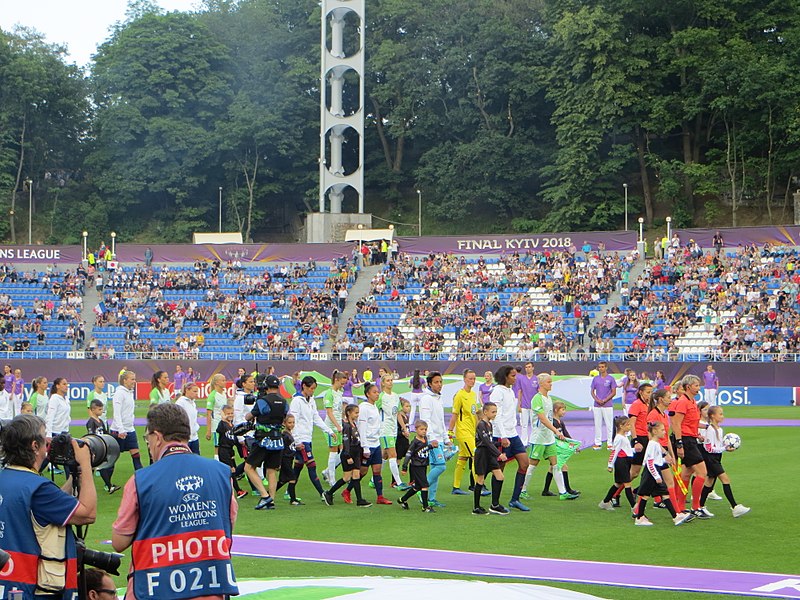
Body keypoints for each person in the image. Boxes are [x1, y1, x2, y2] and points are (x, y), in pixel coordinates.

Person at [112, 403, 239, 599]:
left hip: (154, 588)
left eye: (148, 438)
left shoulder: (140, 480)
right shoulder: (221, 473)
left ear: (158, 437)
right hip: (210, 587)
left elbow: (119, 541)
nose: (148, 444)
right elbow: (228, 523)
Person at [0, 414, 97, 598]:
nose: (49, 444)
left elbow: (51, 504)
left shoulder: (7, 477)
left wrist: (74, 477)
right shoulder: (38, 489)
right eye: (45, 439)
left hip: (7, 583)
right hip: (34, 589)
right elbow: (88, 513)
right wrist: (85, 464)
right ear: (34, 446)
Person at [521, 373, 579, 502]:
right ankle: (522, 489)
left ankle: (563, 492)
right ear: (541, 384)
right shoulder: (537, 398)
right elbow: (542, 419)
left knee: (556, 464)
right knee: (533, 465)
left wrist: (554, 433)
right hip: (539, 437)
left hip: (549, 438)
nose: (551, 384)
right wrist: (556, 431)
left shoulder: (549, 398)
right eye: (548, 382)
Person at [632, 421, 693, 527]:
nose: (665, 432)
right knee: (645, 495)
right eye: (662, 430)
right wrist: (656, 476)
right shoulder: (652, 444)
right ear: (655, 431)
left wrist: (665, 461)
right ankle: (639, 517)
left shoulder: (656, 444)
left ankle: (675, 517)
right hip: (651, 473)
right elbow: (650, 462)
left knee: (665, 494)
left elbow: (656, 459)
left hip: (655, 471)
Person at [245, 374, 289, 510]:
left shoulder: (263, 401)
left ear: (266, 386)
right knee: (271, 471)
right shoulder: (284, 402)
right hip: (278, 439)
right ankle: (272, 500)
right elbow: (284, 416)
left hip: (263, 438)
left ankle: (265, 496)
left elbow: (250, 416)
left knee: (249, 467)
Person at [489, 365, 530, 511]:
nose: (515, 377)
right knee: (499, 469)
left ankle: (515, 499)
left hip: (513, 433)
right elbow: (496, 415)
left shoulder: (510, 391)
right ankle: (495, 503)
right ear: (505, 377)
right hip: (501, 435)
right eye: (512, 375)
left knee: (525, 463)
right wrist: (503, 435)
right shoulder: (497, 392)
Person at [698, 406, 750, 518]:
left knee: (709, 482)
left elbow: (718, 445)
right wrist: (724, 448)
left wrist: (725, 447)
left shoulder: (720, 429)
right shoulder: (710, 429)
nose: (722, 416)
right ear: (712, 416)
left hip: (717, 457)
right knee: (725, 479)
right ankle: (734, 507)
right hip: (711, 458)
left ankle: (700, 506)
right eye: (720, 414)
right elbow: (708, 448)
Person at [289, 375, 334, 502]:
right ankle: (323, 493)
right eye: (311, 388)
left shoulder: (311, 400)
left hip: (307, 438)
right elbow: (293, 422)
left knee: (297, 467)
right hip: (301, 439)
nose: (313, 391)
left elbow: (316, 418)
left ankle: (289, 494)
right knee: (311, 465)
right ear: (304, 386)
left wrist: (329, 430)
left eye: (314, 389)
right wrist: (297, 440)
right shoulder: (297, 401)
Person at [670, 374, 709, 517]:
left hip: (690, 438)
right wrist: (679, 443)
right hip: (686, 441)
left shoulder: (692, 401)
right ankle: (696, 507)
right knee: (702, 473)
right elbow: (676, 423)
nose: (699, 387)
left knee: (686, 473)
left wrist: (701, 429)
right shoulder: (683, 402)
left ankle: (680, 506)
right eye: (696, 385)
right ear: (688, 387)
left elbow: (689, 422)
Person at [323, 404, 371, 507]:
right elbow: (346, 442)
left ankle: (360, 500)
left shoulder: (353, 424)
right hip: (349, 454)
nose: (358, 415)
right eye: (356, 412)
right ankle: (329, 493)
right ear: (349, 413)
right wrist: (348, 456)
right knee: (346, 478)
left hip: (356, 452)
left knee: (356, 476)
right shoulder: (346, 426)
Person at [354, 381, 392, 505]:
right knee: (363, 471)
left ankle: (380, 496)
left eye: (377, 392)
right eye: (374, 392)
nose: (377, 394)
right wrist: (364, 447)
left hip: (376, 443)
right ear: (367, 394)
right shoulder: (364, 408)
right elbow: (362, 427)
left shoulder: (374, 406)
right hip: (367, 445)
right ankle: (348, 490)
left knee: (377, 470)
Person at [418, 372, 449, 508]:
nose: (439, 384)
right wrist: (431, 438)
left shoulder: (438, 398)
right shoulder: (426, 399)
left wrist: (446, 438)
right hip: (433, 439)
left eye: (440, 382)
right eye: (436, 382)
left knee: (436, 467)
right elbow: (426, 420)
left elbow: (441, 420)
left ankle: (431, 498)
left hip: (439, 438)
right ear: (430, 383)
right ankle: (420, 488)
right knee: (441, 466)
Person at [448, 369, 482, 496]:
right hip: (463, 432)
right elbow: (454, 415)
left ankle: (456, 486)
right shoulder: (459, 395)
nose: (472, 381)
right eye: (470, 379)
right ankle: (479, 485)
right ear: (464, 379)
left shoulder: (473, 395)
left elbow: (475, 413)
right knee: (476, 456)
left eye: (474, 378)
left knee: (462, 458)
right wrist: (450, 432)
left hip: (472, 431)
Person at [472, 402, 508, 515]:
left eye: (496, 411)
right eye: (493, 412)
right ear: (485, 412)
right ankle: (476, 507)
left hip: (489, 454)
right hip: (482, 455)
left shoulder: (490, 425)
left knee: (500, 477)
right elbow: (486, 442)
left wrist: (499, 443)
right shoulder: (481, 425)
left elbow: (490, 441)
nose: (495, 414)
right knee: (480, 480)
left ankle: (495, 505)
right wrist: (499, 454)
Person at [541, 401, 581, 497]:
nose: (564, 412)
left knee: (552, 468)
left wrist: (574, 444)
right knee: (563, 466)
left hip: (557, 448)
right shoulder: (552, 422)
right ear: (556, 410)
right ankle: (568, 489)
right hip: (554, 448)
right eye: (562, 410)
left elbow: (566, 434)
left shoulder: (560, 422)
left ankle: (545, 490)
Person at [598, 416, 636, 511]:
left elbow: (625, 450)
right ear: (621, 426)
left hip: (625, 461)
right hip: (621, 462)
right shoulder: (619, 438)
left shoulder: (623, 437)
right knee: (627, 484)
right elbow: (615, 452)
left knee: (618, 484)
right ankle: (634, 506)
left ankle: (605, 502)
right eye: (627, 424)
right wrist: (610, 465)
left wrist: (634, 450)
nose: (629, 426)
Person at [111, 369, 144, 471]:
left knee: (136, 455)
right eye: (132, 379)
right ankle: (107, 484)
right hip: (118, 431)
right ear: (125, 380)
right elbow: (117, 412)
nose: (134, 381)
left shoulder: (130, 393)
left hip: (130, 430)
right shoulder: (119, 393)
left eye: (135, 379)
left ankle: (141, 479)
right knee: (111, 458)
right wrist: (121, 429)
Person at [397, 420, 434, 512]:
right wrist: (404, 467)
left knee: (417, 487)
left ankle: (402, 499)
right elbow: (408, 454)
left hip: (423, 465)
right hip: (416, 466)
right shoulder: (414, 442)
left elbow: (423, 450)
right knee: (424, 485)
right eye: (421, 429)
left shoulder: (425, 439)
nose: (424, 431)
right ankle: (425, 507)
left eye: (425, 429)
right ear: (416, 429)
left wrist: (431, 446)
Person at [377, 374, 405, 489]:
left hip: (393, 429)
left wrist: (403, 427)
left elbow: (398, 413)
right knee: (393, 454)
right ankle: (398, 482)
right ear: (383, 383)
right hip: (385, 429)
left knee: (385, 455)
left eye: (391, 380)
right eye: (388, 380)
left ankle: (374, 479)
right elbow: (374, 411)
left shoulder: (395, 396)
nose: (390, 382)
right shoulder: (381, 397)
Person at [216, 405, 248, 499]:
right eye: (227, 414)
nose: (230, 415)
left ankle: (234, 491)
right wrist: (223, 419)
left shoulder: (232, 425)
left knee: (231, 471)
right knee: (230, 471)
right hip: (223, 450)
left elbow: (234, 440)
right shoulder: (222, 425)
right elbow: (218, 430)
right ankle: (237, 491)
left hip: (230, 451)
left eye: (231, 413)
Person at [322, 370, 347, 485]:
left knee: (342, 451)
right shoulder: (329, 393)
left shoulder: (339, 393)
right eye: (342, 383)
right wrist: (337, 425)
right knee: (333, 451)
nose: (343, 385)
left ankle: (327, 471)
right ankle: (332, 478)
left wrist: (343, 419)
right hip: (331, 427)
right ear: (336, 380)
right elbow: (329, 412)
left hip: (339, 426)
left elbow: (338, 410)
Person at [627, 383, 653, 486]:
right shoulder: (637, 404)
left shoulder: (649, 405)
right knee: (634, 472)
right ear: (641, 392)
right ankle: (615, 493)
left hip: (648, 438)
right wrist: (635, 441)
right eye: (648, 392)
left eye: (651, 392)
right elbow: (631, 424)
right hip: (640, 438)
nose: (650, 395)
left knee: (651, 469)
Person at [590, 361, 617, 449]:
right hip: (597, 405)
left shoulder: (611, 379)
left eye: (602, 367)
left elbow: (613, 392)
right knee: (597, 424)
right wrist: (597, 399)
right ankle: (598, 442)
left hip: (607, 404)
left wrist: (605, 400)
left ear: (606, 368)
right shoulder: (595, 379)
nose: (600, 368)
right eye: (599, 367)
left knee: (609, 424)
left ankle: (610, 443)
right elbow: (592, 391)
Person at [514, 362, 538, 446]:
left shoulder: (536, 378)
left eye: (529, 367)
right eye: (526, 367)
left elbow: (538, 392)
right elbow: (520, 391)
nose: (528, 368)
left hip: (534, 405)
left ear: (533, 368)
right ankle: (524, 441)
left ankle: (533, 440)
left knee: (534, 424)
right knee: (524, 424)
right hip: (524, 404)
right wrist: (519, 404)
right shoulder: (522, 379)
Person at [205, 373, 230, 457]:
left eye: (225, 380)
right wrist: (209, 430)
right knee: (217, 446)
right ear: (217, 383)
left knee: (225, 446)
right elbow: (208, 414)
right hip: (216, 425)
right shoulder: (212, 396)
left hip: (225, 423)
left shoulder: (223, 394)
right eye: (223, 380)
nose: (225, 382)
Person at [175, 383, 202, 454]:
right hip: (185, 438)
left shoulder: (193, 403)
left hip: (194, 437)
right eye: (194, 391)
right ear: (187, 390)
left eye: (197, 391)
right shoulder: (180, 403)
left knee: (196, 460)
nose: (196, 393)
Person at [395, 398, 412, 467]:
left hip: (406, 441)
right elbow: (395, 430)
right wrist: (402, 433)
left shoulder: (406, 417)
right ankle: (395, 477)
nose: (409, 408)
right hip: (399, 441)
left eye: (409, 406)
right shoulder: (399, 417)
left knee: (411, 457)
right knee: (398, 460)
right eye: (407, 406)